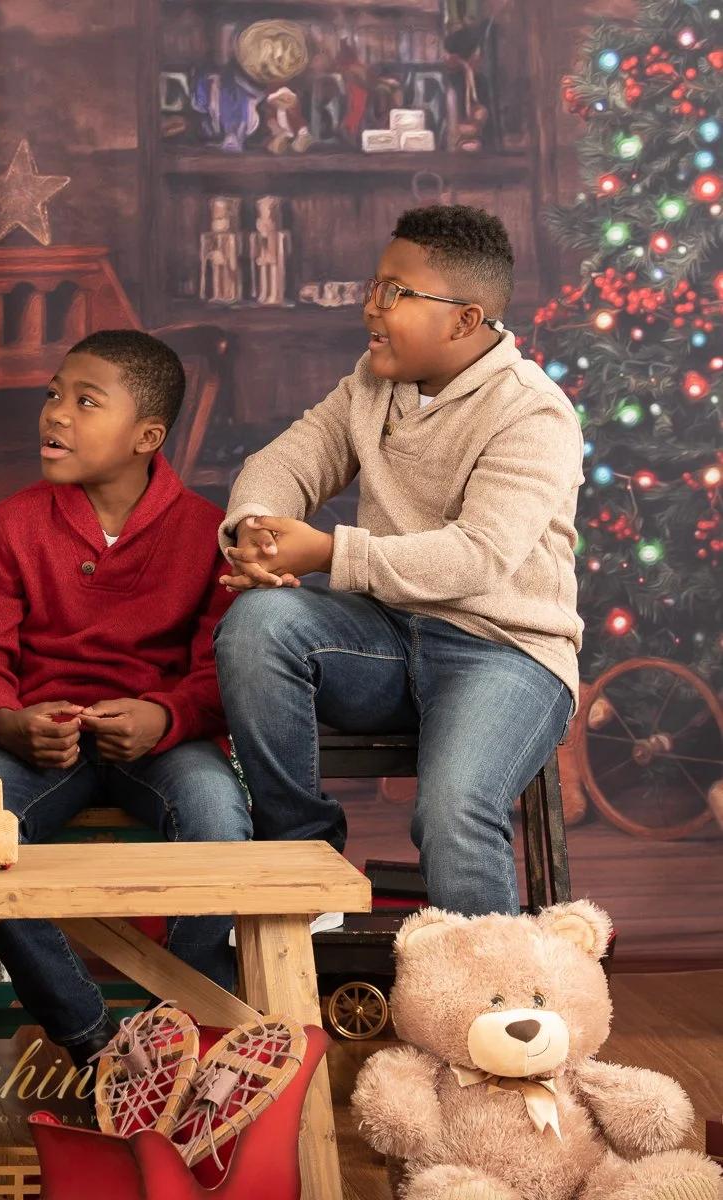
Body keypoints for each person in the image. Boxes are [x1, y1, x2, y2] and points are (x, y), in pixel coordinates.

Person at [213, 204, 582, 918]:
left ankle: (489, 1003)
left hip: (505, 653)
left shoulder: (533, 413)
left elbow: (477, 557)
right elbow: (290, 460)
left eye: (394, 293)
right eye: (373, 287)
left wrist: (328, 551)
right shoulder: (373, 384)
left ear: (464, 320)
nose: (369, 309)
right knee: (259, 623)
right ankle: (304, 867)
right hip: (386, 638)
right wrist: (255, 530)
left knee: (451, 809)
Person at [0, 329, 250, 1067]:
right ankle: (95, 1040)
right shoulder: (18, 521)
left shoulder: (206, 532)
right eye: (54, 394)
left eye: (86, 402)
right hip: (41, 739)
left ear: (147, 435)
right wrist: (9, 722)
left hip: (164, 741)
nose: (56, 414)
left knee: (219, 817)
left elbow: (219, 673)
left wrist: (166, 715)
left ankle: (181, 1022)